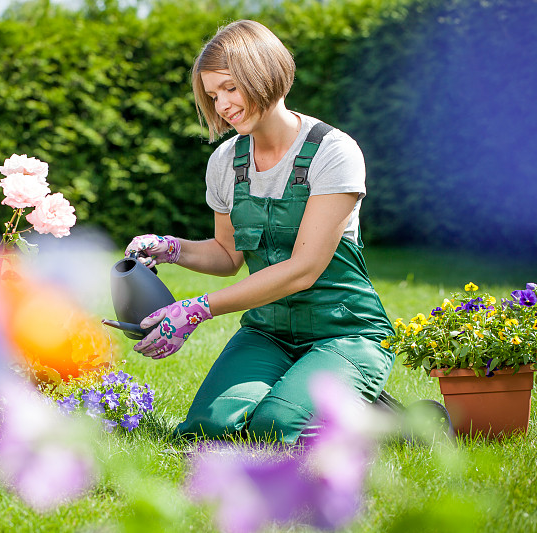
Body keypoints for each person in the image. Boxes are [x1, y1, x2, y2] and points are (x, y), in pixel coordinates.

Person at [124, 20, 394, 444]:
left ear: (263, 72)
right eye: (213, 95)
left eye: (230, 88)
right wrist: (171, 248)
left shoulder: (333, 151)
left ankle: (391, 420)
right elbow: (227, 255)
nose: (223, 105)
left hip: (344, 330)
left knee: (279, 428)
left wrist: (198, 308)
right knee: (207, 431)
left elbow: (303, 269)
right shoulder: (226, 161)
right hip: (268, 331)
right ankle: (308, 389)